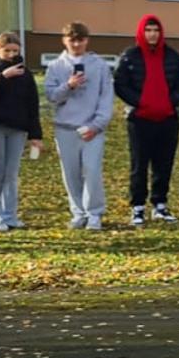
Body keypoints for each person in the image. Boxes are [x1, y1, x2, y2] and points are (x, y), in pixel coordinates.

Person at [113, 14, 179, 226]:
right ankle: (137, 207)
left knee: (164, 164)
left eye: (156, 30)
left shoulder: (173, 56)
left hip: (168, 119)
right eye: (148, 30)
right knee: (139, 164)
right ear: (141, 32)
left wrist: (171, 102)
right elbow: (120, 84)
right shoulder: (130, 57)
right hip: (140, 120)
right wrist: (140, 102)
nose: (152, 34)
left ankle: (160, 204)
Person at [44, 23, 112, 230]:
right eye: (72, 40)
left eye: (80, 40)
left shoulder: (99, 65)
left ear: (86, 40)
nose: (76, 44)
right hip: (65, 127)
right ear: (64, 41)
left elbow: (106, 97)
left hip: (92, 128)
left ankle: (94, 213)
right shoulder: (55, 66)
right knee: (70, 173)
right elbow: (51, 96)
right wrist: (69, 85)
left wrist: (97, 125)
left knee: (92, 170)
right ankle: (78, 212)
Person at [0, 32, 43, 233]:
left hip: (17, 128)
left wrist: (35, 135)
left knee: (11, 173)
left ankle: (10, 215)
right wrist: (3, 77)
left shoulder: (26, 74)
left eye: (15, 51)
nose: (12, 54)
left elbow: (32, 105)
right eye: (7, 51)